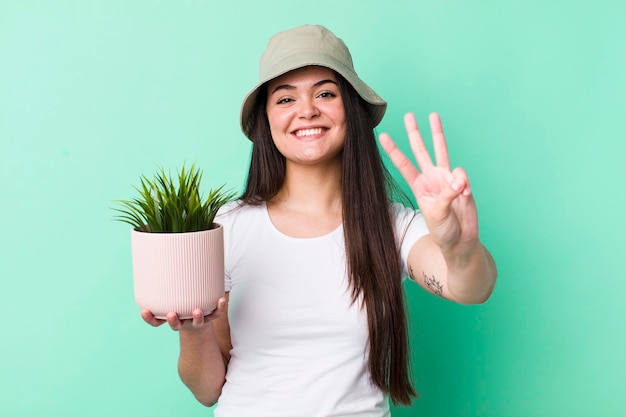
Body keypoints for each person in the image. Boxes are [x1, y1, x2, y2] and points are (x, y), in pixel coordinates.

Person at [141, 24, 497, 416]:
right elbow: (208, 390)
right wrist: (194, 330)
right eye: (285, 99)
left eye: (325, 93)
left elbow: (471, 288)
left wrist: (458, 247)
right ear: (267, 120)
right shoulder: (226, 227)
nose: (306, 110)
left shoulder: (392, 227)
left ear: (352, 110)